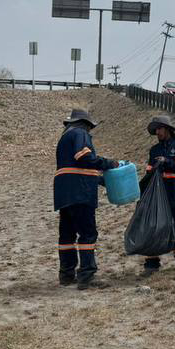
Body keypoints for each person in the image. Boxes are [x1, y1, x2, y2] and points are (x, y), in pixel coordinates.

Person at [54, 109, 118, 290]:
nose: (90, 131)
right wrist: (108, 163)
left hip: (64, 193)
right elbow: (84, 158)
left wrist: (101, 180)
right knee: (88, 234)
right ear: (85, 124)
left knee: (67, 235)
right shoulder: (80, 133)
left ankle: (66, 275)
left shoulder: (64, 138)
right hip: (80, 193)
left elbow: (75, 168)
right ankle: (86, 276)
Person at [140, 114, 175, 275]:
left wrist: (166, 161)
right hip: (158, 194)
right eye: (155, 130)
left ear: (167, 129)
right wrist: (142, 192)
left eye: (159, 129)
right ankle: (152, 263)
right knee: (153, 226)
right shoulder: (154, 150)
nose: (157, 132)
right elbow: (149, 173)